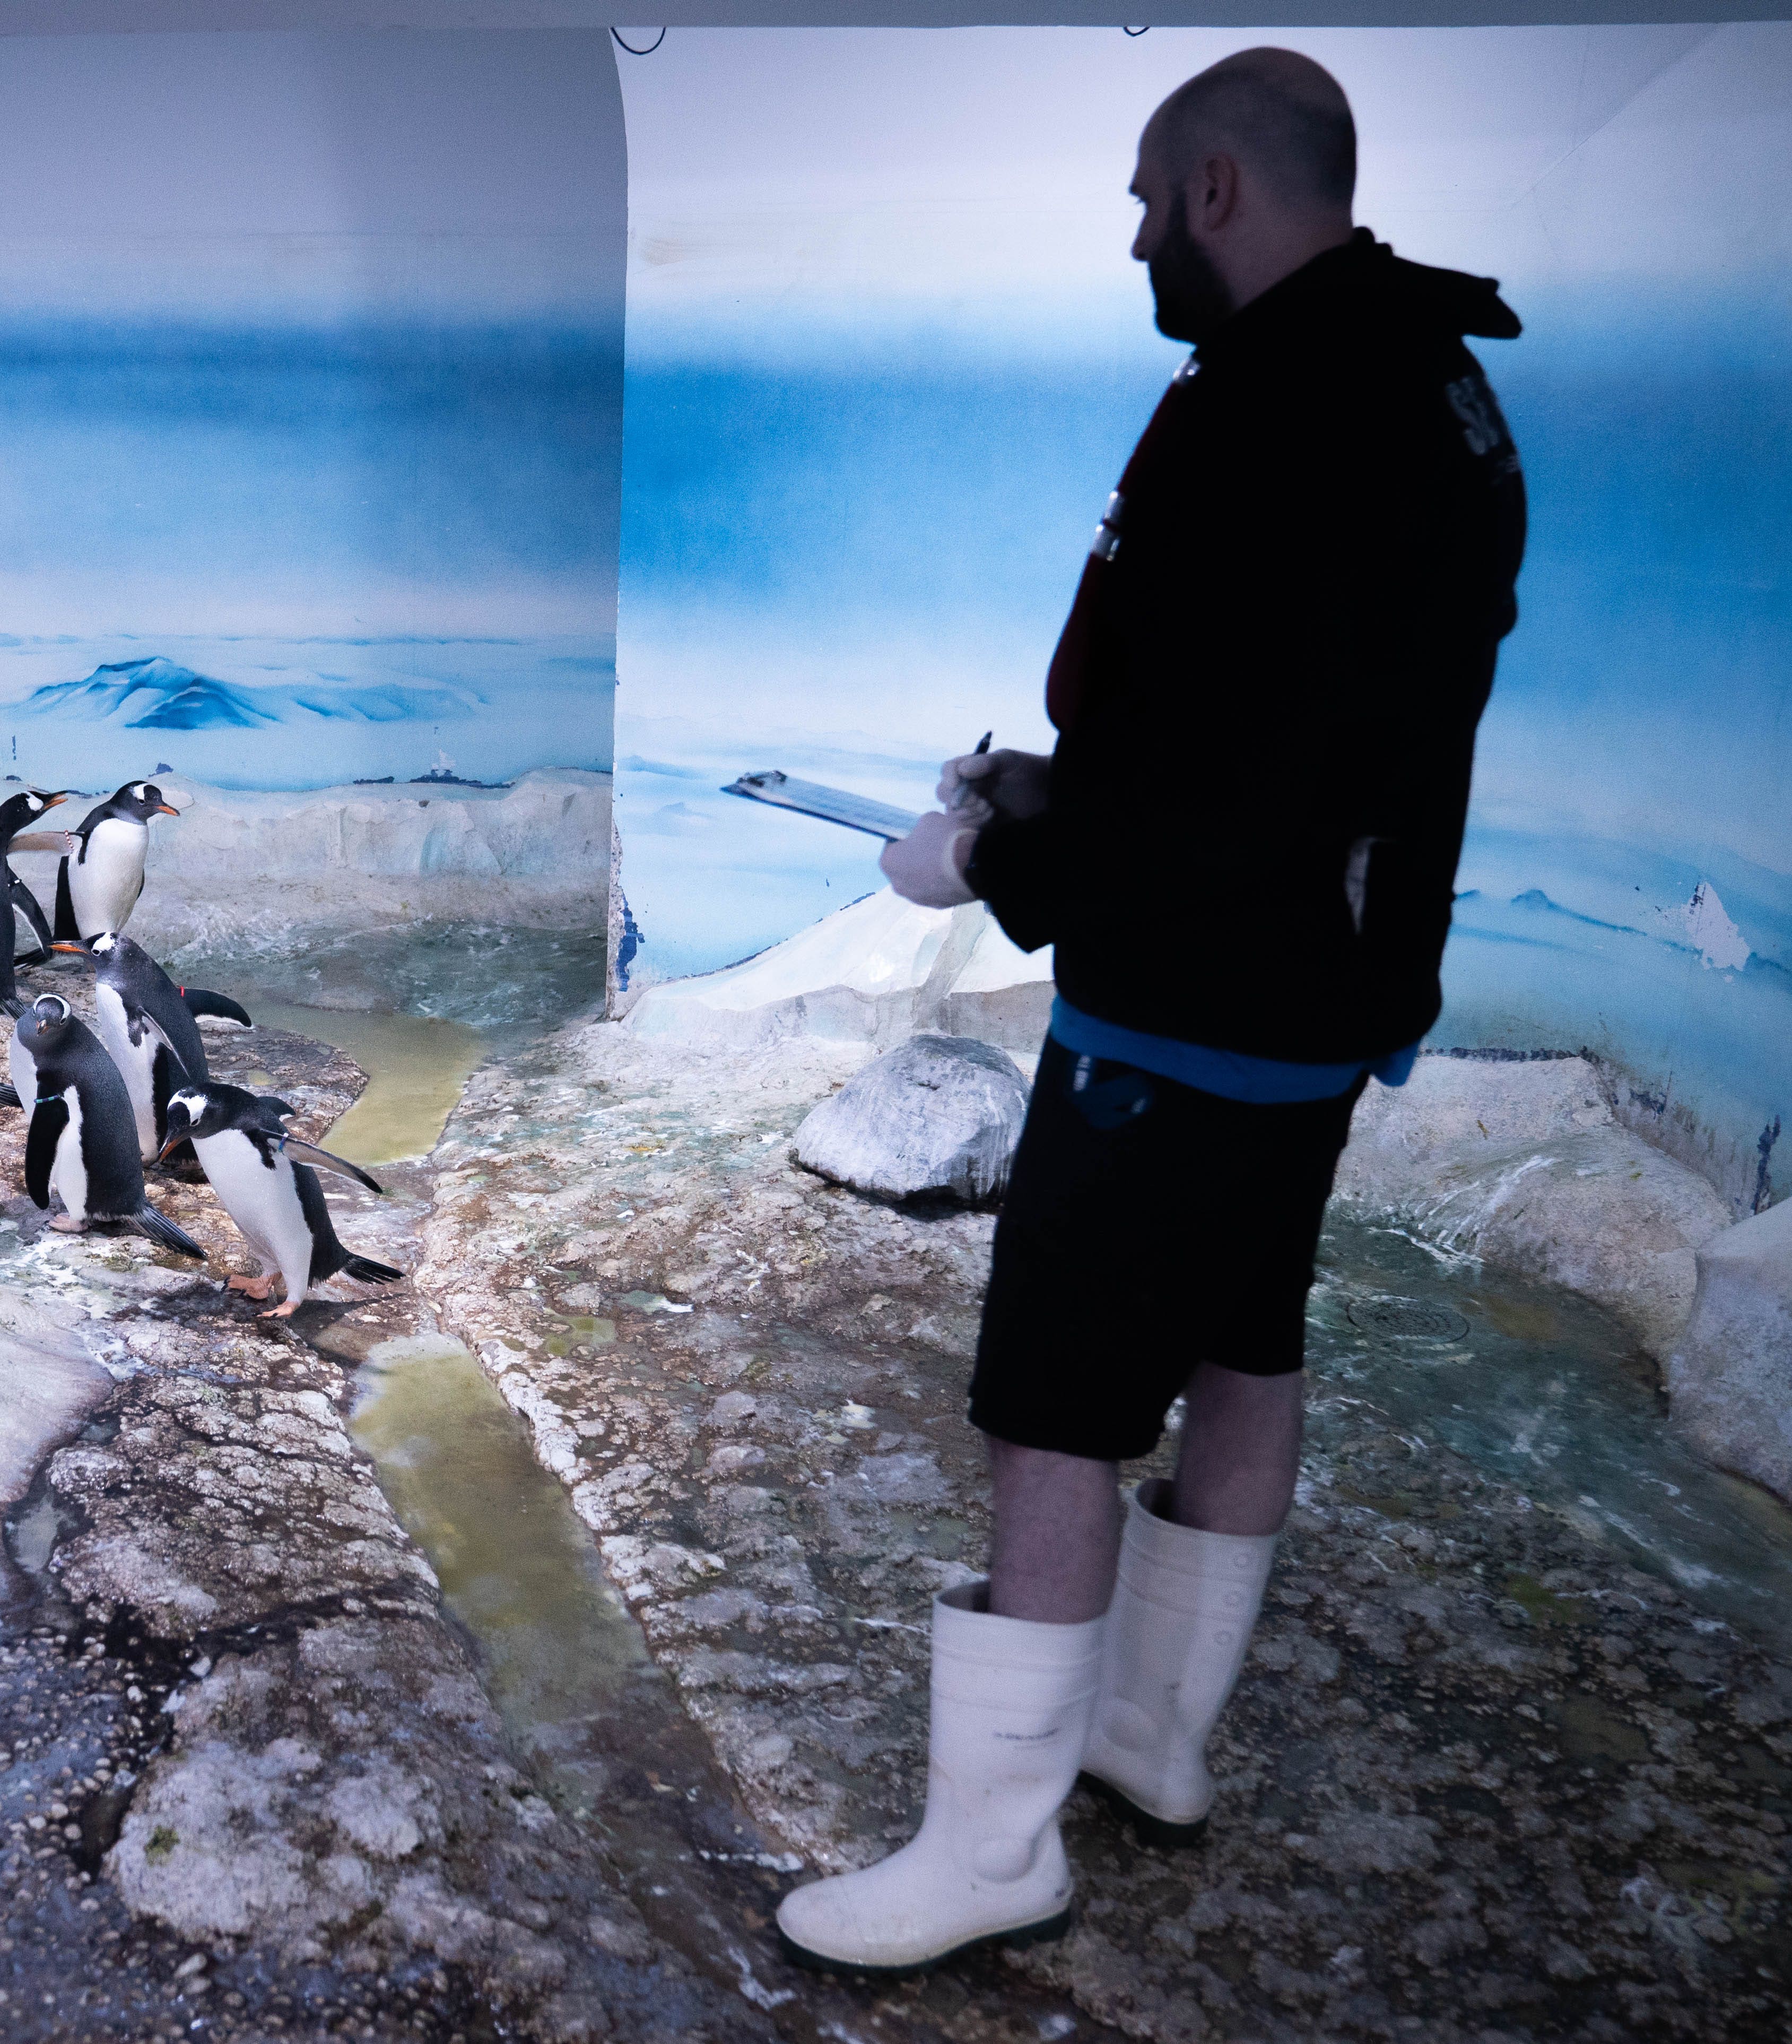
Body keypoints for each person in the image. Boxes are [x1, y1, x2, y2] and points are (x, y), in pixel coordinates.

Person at [773, 48, 1527, 1974]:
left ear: (1211, 186)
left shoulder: (1279, 404)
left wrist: (990, 867)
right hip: (1317, 1001)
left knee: (1055, 1402)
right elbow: (1292, 738)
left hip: (1185, 1011)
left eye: (1138, 198)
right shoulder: (1441, 389)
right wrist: (1060, 785)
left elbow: (1224, 782)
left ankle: (993, 1844)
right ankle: (1150, 1737)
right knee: (1244, 1340)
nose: (1128, 238)